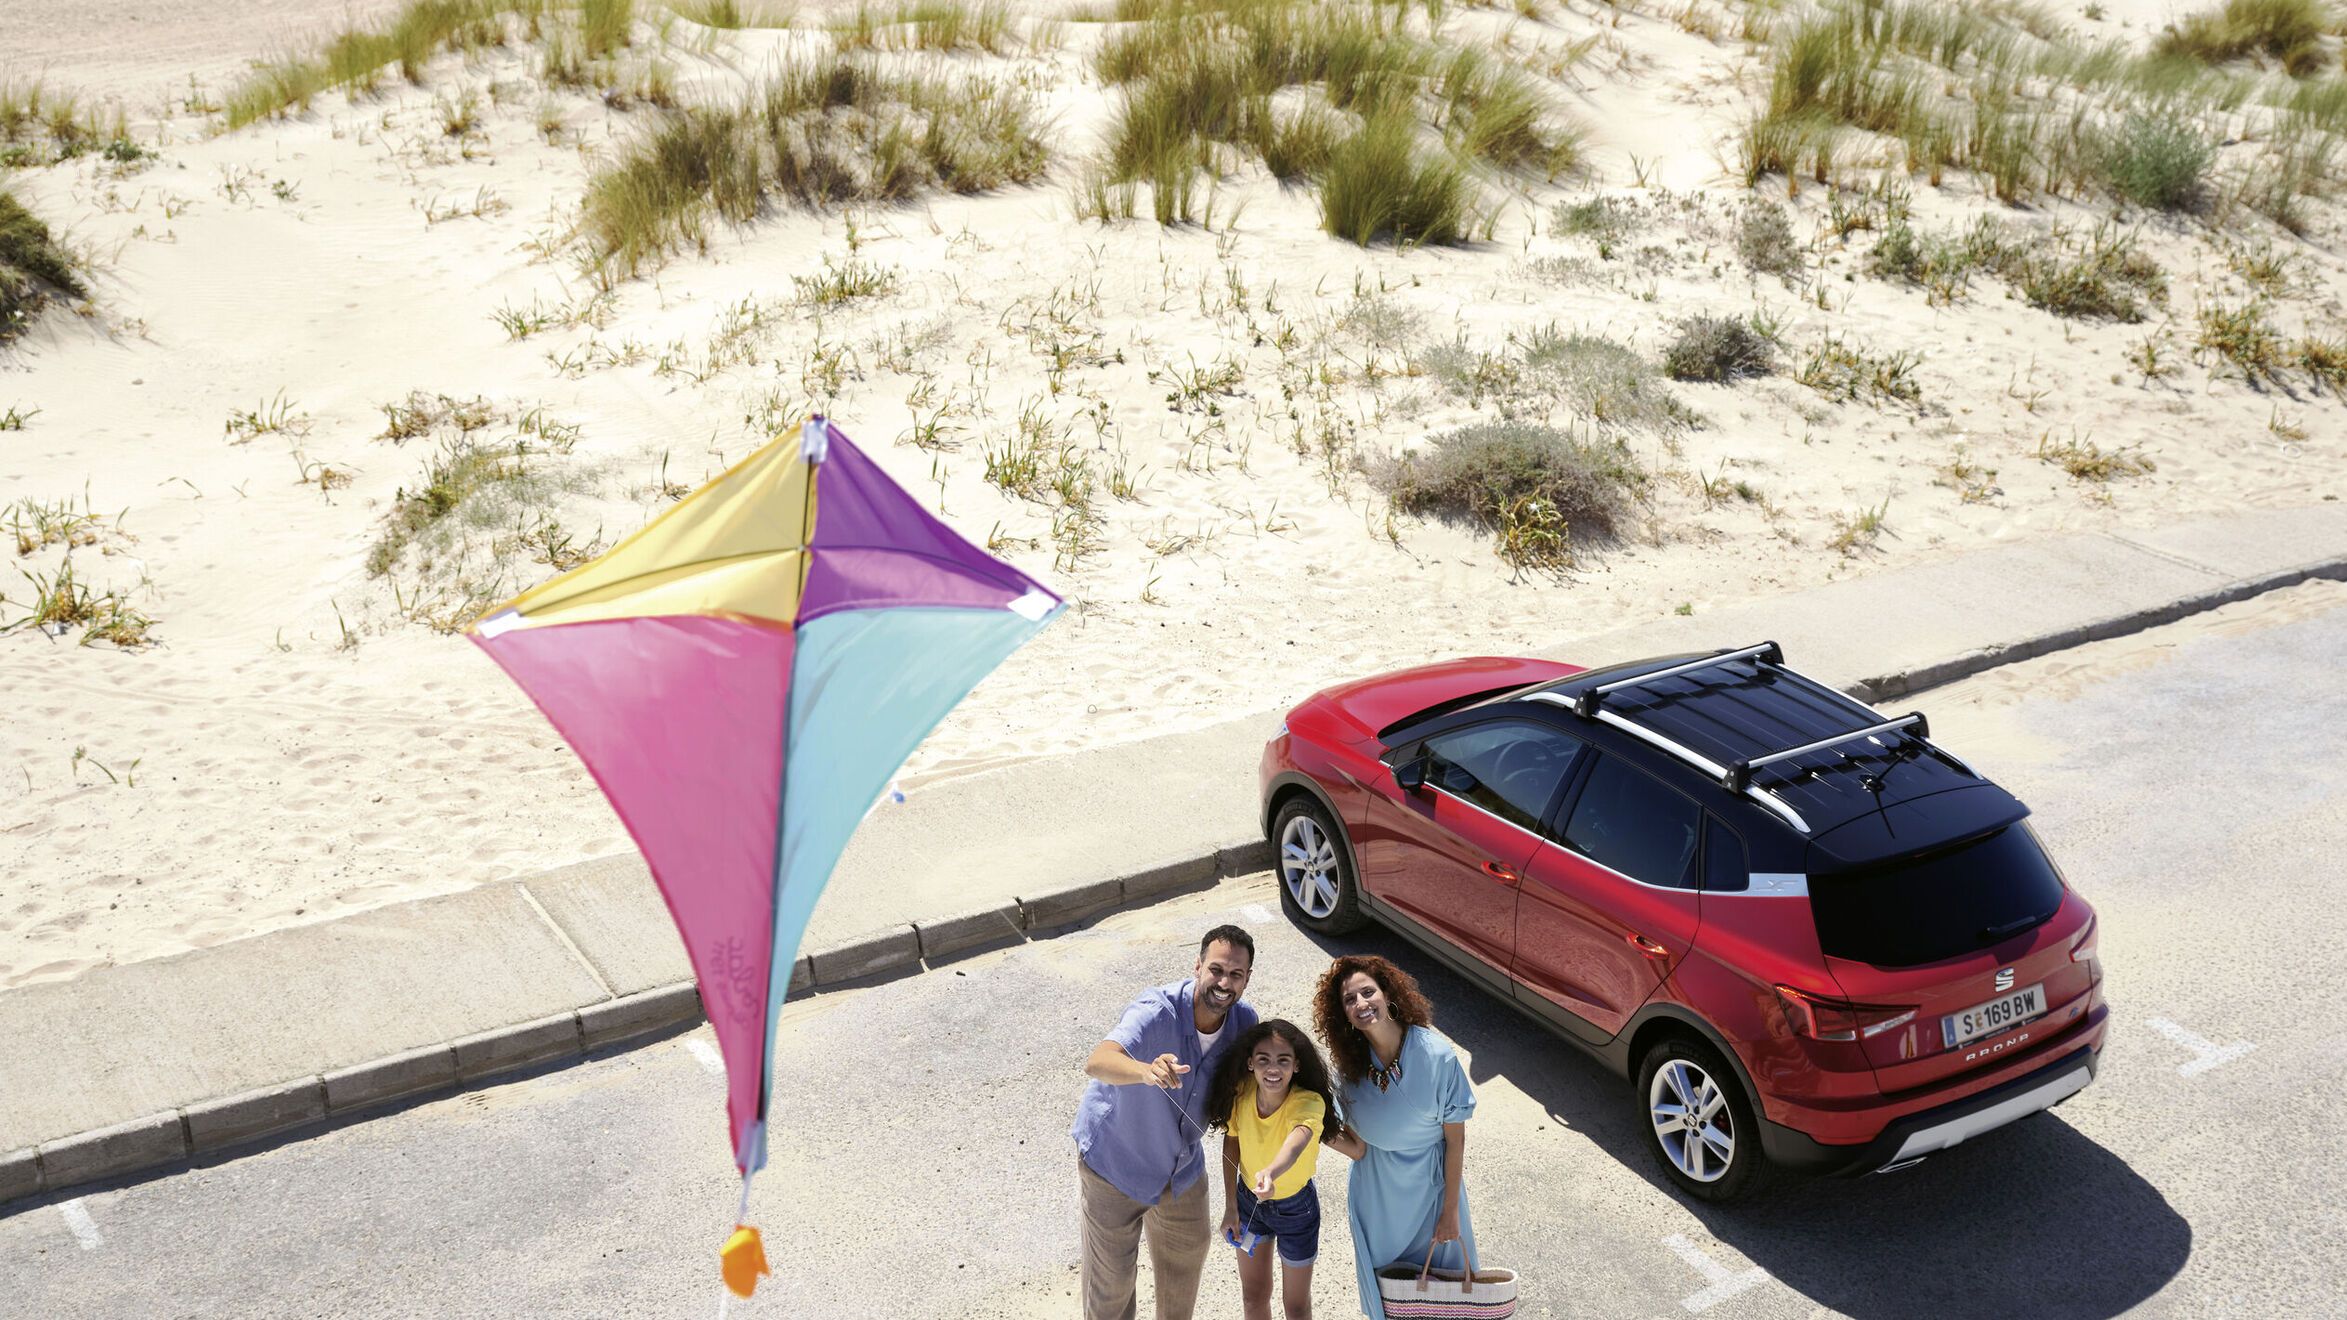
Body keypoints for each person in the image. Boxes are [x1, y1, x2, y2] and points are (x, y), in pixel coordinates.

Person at [1072, 925, 1259, 1320]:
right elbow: (1098, 1061)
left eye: (1235, 974)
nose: (1224, 983)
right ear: (1198, 966)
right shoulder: (1157, 1011)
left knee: (1185, 1265)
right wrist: (1145, 1071)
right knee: (1111, 1291)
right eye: (1217, 970)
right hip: (1115, 1165)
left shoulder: (1245, 1024)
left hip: (1182, 1169)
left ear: (1246, 980)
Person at [1311, 955, 1478, 1320]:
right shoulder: (1348, 1069)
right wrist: (1308, 1123)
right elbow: (1356, 1149)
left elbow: (1455, 1141)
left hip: (1431, 1190)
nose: (1360, 1004)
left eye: (1367, 992)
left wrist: (1450, 1210)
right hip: (1377, 1196)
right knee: (1390, 1297)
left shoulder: (1436, 1056)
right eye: (1349, 1000)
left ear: (1387, 993)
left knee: (1444, 1292)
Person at [1206, 1019, 1343, 1320]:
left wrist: (1271, 1172)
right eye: (1263, 1059)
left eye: (1283, 1060)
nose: (1272, 1068)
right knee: (1253, 1298)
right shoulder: (1240, 1092)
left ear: (1296, 1066)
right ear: (1250, 1064)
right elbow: (1232, 1144)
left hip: (1297, 1209)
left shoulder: (1309, 1102)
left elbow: (1297, 1142)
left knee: (1295, 1307)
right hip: (1247, 1202)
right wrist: (1231, 1206)